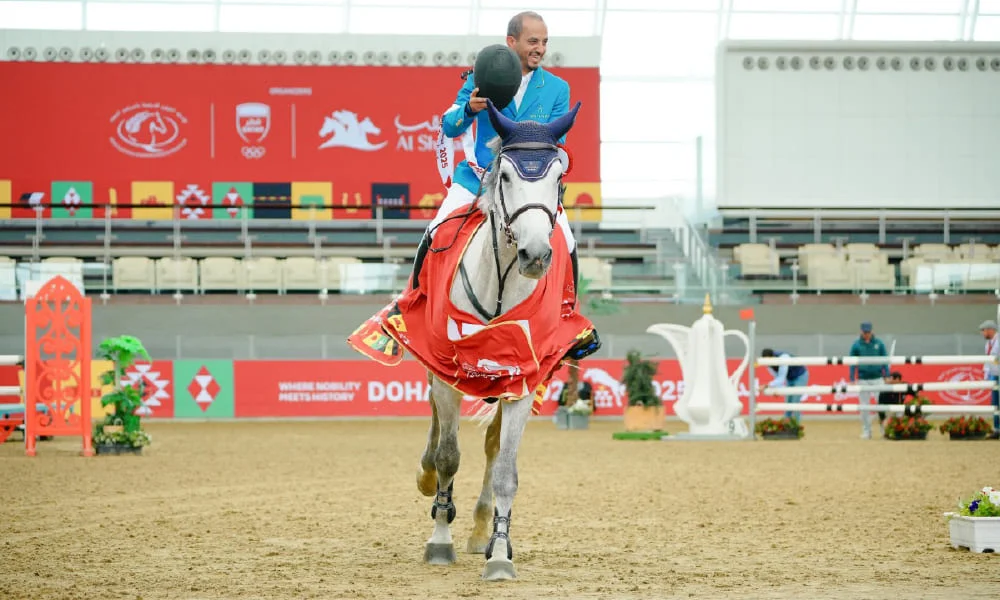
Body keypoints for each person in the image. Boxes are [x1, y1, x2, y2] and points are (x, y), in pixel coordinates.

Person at [415, 11, 578, 293]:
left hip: (529, 187)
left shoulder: (557, 88)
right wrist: (469, 109)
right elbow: (450, 127)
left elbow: (556, 140)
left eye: (544, 42)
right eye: (533, 41)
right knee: (435, 229)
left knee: (568, 239)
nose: (540, 49)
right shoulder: (481, 77)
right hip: (477, 180)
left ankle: (568, 311)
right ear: (511, 41)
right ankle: (412, 301)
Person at [849, 321, 889, 439]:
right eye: (865, 332)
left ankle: (884, 430)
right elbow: (851, 363)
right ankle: (867, 431)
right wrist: (852, 378)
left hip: (878, 378)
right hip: (863, 379)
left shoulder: (879, 343)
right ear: (861, 331)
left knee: (882, 406)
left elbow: (885, 360)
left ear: (872, 331)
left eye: (868, 332)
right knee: (864, 407)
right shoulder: (856, 345)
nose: (867, 334)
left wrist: (886, 375)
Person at [761, 348, 809, 420]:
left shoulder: (783, 357)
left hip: (800, 376)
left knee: (795, 401)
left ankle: (797, 425)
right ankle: (786, 424)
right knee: (788, 402)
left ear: (773, 356)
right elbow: (777, 377)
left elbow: (781, 378)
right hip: (789, 378)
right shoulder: (768, 364)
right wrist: (776, 390)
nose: (768, 363)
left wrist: (767, 385)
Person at [979, 319, 1000, 439]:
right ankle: (997, 428)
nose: (983, 333)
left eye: (984, 331)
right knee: (995, 403)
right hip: (994, 374)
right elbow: (988, 360)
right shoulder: (988, 344)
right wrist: (986, 374)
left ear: (990, 330)